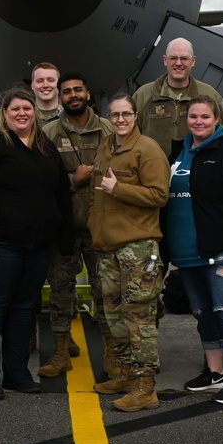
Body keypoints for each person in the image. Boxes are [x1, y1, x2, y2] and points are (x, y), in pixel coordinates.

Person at [0, 87, 72, 400]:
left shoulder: (46, 147)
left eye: (27, 108)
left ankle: (17, 373)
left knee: (23, 309)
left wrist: (64, 237)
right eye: (15, 109)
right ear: (4, 114)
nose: (22, 114)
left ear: (35, 111)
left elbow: (61, 194)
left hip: (38, 246)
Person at [166, 95, 223, 406]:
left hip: (220, 251)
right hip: (186, 251)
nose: (198, 122)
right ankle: (215, 370)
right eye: (193, 116)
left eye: (205, 117)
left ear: (217, 119)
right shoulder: (180, 152)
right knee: (203, 312)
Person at [89, 93, 170, 412]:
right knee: (113, 316)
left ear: (136, 116)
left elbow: (160, 195)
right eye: (115, 114)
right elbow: (97, 193)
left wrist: (118, 189)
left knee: (139, 319)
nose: (120, 120)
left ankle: (145, 386)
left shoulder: (148, 150)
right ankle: (124, 374)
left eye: (126, 114)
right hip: (108, 248)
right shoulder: (106, 146)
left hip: (137, 248)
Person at [39, 71, 114, 379]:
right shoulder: (49, 132)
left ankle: (112, 352)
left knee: (105, 292)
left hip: (101, 227)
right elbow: (42, 180)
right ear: (60, 97)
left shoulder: (108, 129)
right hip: (64, 227)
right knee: (60, 290)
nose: (73, 95)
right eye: (66, 91)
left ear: (88, 94)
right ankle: (60, 351)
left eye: (78, 90)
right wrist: (74, 179)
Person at [133, 37, 223, 161]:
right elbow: (130, 136)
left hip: (198, 172)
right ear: (165, 60)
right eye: (173, 58)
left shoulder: (209, 95)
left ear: (193, 61)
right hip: (153, 172)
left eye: (184, 58)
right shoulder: (144, 95)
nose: (178, 63)